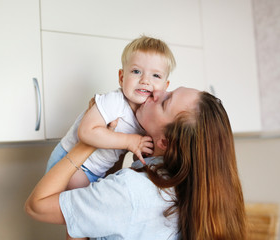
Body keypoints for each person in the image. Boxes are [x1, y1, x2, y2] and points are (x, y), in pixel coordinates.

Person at [25, 87, 247, 240]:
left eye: (165, 101)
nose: (156, 90)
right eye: (169, 90)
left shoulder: (131, 191)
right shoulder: (186, 192)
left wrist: (91, 139)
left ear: (165, 142)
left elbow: (37, 206)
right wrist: (119, 143)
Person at [45, 35, 176, 190]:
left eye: (155, 75)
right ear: (121, 77)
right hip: (73, 163)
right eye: (136, 71)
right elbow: (86, 132)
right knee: (71, 204)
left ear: (165, 86)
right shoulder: (115, 101)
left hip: (95, 170)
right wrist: (130, 141)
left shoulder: (147, 117)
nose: (145, 80)